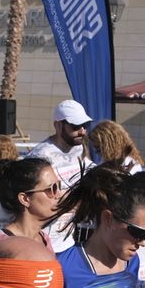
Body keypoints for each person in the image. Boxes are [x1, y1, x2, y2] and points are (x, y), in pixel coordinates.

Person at [29, 99, 95, 250]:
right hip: (42, 243)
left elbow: (91, 175)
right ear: (58, 125)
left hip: (68, 241)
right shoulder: (41, 156)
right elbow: (33, 200)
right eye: (76, 126)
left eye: (85, 125)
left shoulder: (78, 148)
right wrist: (76, 200)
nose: (83, 131)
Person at [0, 157, 61, 253]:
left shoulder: (44, 239)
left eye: (59, 185)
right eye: (51, 189)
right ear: (25, 199)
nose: (59, 195)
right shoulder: (1, 244)